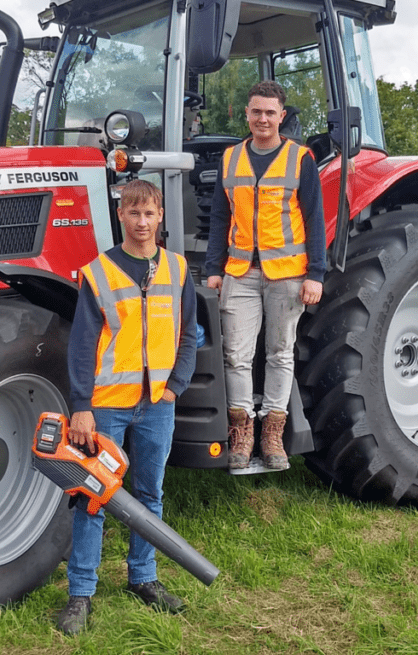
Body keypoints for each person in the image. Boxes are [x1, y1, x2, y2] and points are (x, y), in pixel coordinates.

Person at [57, 179, 198, 635]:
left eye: (150, 214)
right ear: (121, 215)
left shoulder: (177, 269)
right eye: (134, 214)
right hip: (106, 406)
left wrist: (176, 385)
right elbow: (81, 347)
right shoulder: (98, 273)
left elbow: (190, 331)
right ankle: (81, 594)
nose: (142, 222)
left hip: (157, 403)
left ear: (161, 217)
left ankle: (144, 578)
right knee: (93, 499)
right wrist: (81, 406)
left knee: (150, 495)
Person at [205, 80, 326, 472]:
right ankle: (241, 432)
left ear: (282, 116)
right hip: (240, 271)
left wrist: (316, 273)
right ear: (247, 114)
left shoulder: (299, 159)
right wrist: (213, 269)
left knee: (279, 352)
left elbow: (314, 218)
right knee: (236, 355)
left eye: (270, 113)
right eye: (256, 111)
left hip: (287, 274)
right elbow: (221, 218)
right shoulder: (230, 159)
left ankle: (273, 433)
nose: (263, 119)